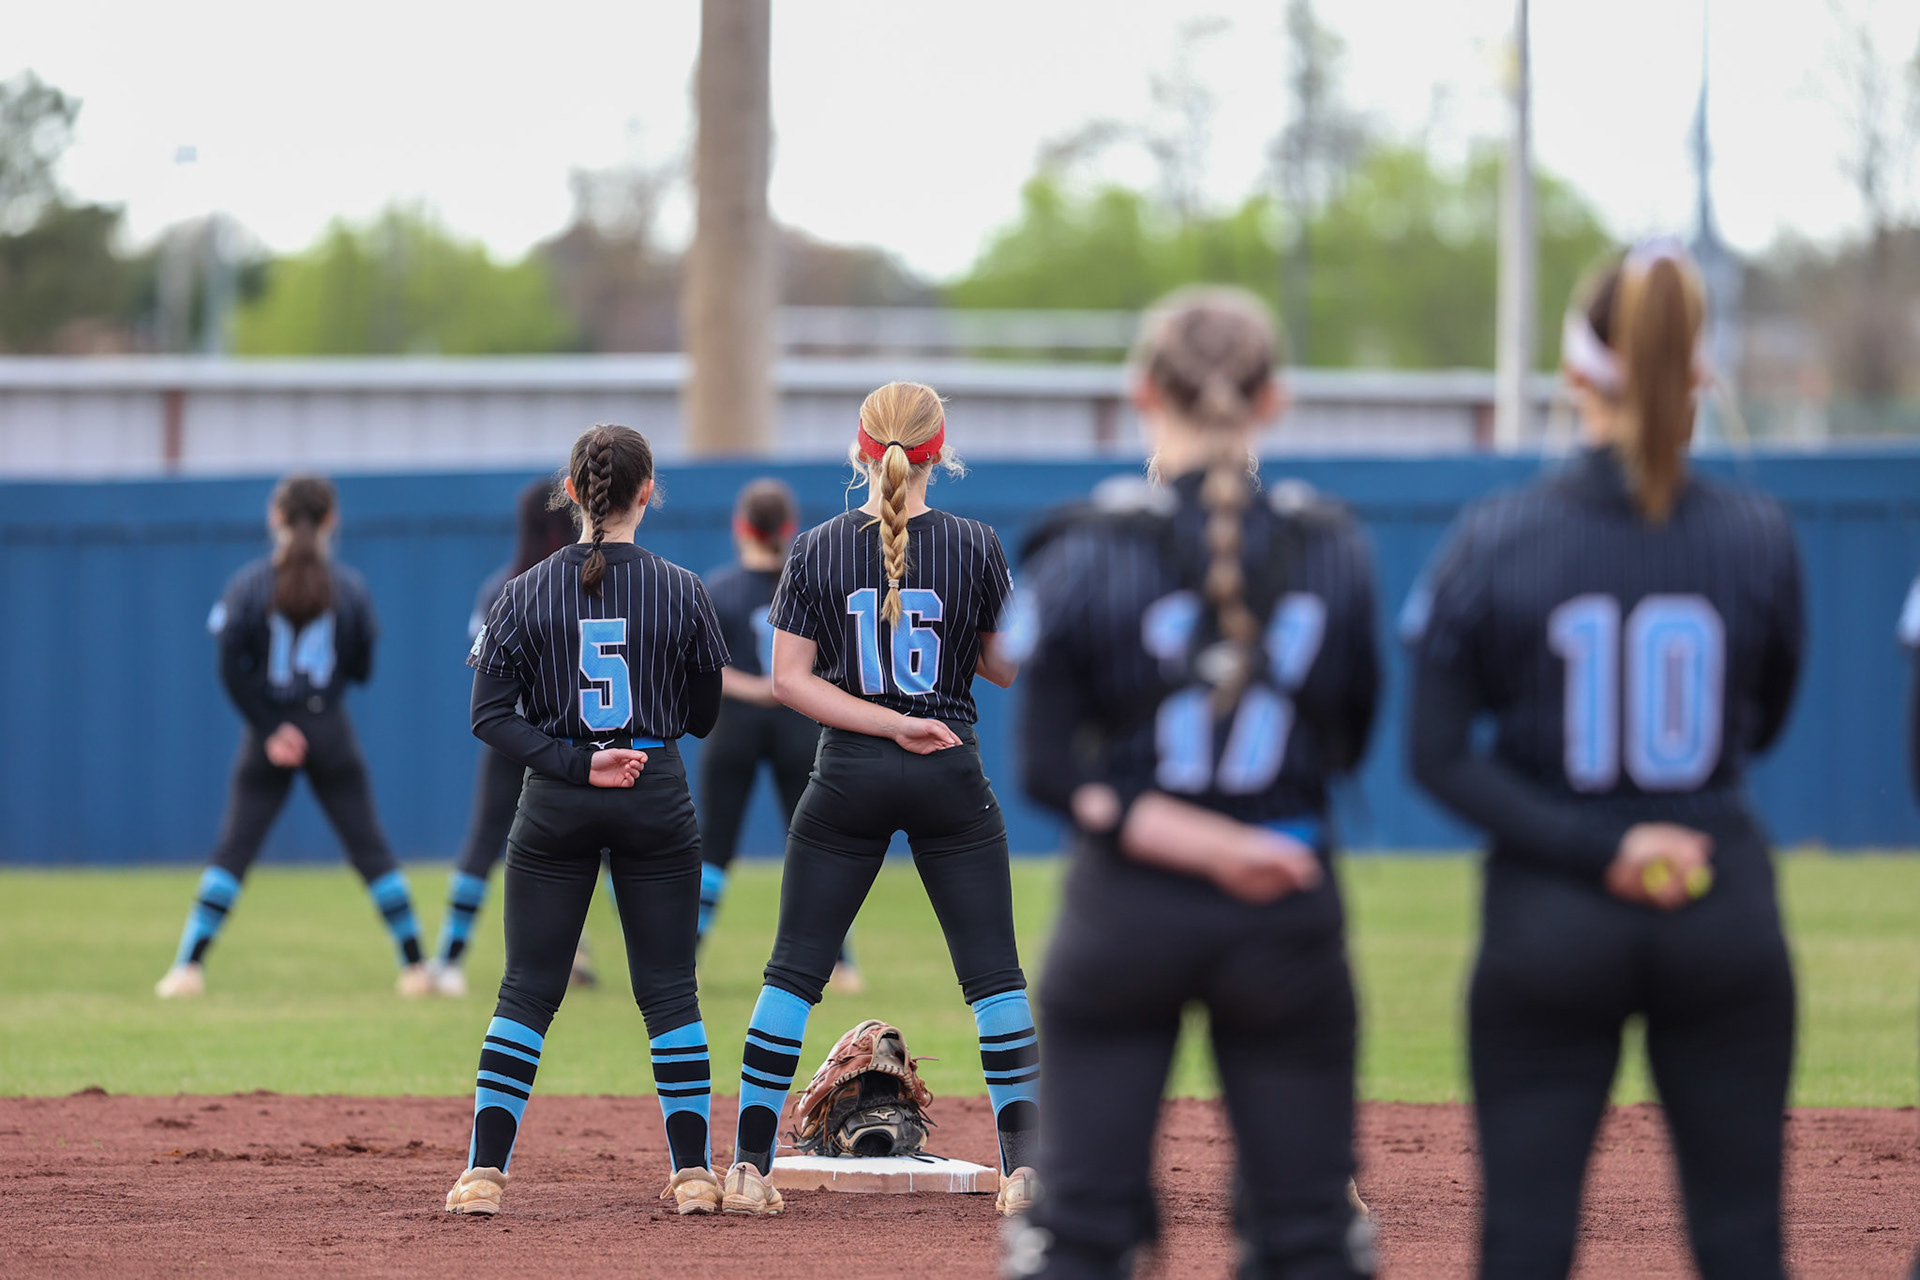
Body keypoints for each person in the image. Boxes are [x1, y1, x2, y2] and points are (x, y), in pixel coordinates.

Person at [1405, 243, 1804, 1279]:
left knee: (1527, 1241)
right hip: (1718, 894)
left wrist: (1596, 843)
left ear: (1576, 371)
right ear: (1696, 370)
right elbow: (1759, 726)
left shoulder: (1496, 536)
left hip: (1551, 911)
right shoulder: (1760, 534)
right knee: (1741, 1240)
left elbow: (1438, 755)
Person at [1006, 288, 1379, 1280]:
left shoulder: (1084, 548)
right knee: (1310, 1239)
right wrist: (1237, 837)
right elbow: (1348, 742)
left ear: (1143, 393)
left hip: (1127, 905)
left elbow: (1045, 769)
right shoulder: (1332, 549)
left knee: (1076, 1233)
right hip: (1286, 892)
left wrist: (1158, 822)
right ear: (1272, 400)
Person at [717, 381, 1036, 1219]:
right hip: (949, 765)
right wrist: (928, 689)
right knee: (995, 980)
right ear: (939, 451)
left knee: (793, 973)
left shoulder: (818, 546)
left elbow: (789, 682)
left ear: (862, 449)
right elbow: (1008, 668)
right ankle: (1027, 1169)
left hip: (850, 772)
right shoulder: (975, 543)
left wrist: (885, 721)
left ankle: (748, 1168)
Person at [443, 424, 731, 1218]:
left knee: (527, 992)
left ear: (571, 493)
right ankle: (694, 1174)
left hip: (557, 795)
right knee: (670, 993)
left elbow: (489, 716)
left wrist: (574, 760)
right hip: (654, 789)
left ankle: (482, 1175)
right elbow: (704, 717)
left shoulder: (524, 589)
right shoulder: (682, 588)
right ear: (648, 492)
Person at [157, 475, 430, 999]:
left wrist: (271, 729)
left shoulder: (248, 585)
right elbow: (363, 668)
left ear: (276, 518)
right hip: (328, 726)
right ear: (331, 520)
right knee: (368, 846)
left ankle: (187, 968)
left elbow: (230, 671)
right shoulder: (349, 587)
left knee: (235, 847)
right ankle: (417, 967)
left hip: (269, 727)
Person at [429, 478, 594, 997]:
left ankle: (449, 961)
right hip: (577, 738)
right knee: (604, 847)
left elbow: (486, 669)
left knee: (484, 841)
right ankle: (586, 957)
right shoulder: (595, 582)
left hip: (514, 735)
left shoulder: (502, 587)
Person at [698, 478, 860, 991]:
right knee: (816, 845)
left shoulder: (718, 587)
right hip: (797, 724)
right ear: (788, 528)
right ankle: (841, 963)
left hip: (734, 727)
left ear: (741, 526)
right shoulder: (806, 582)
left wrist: (756, 688)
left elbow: (706, 669)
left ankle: (684, 958)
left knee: (713, 849)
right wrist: (783, 687)